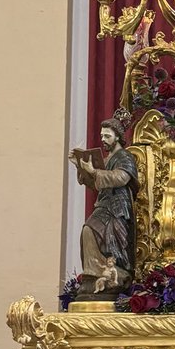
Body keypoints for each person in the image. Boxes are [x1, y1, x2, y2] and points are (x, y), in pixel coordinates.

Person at [69, 115, 139, 297]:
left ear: (117, 136)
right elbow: (95, 183)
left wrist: (94, 171)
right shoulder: (107, 160)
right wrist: (80, 166)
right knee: (88, 230)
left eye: (107, 136)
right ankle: (93, 276)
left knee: (101, 234)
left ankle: (115, 275)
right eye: (102, 136)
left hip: (118, 207)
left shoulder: (125, 156)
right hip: (104, 204)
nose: (103, 139)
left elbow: (122, 177)